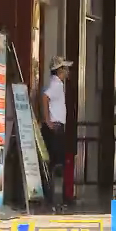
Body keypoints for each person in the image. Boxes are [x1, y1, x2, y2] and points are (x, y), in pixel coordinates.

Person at [41, 55, 73, 208]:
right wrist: (48, 120)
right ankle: (54, 198)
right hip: (55, 128)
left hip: (57, 127)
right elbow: (45, 98)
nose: (67, 71)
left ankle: (54, 198)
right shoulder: (56, 85)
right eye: (65, 68)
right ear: (59, 70)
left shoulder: (57, 84)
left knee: (55, 163)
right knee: (57, 164)